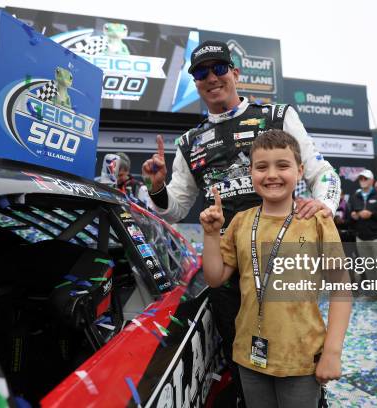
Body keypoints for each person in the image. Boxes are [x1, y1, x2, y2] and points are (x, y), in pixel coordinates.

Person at [141, 40, 341, 404]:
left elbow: (320, 169)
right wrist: (156, 188)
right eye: (201, 73)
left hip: (281, 256)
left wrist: (324, 204)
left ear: (236, 72)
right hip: (228, 261)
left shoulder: (277, 116)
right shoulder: (189, 141)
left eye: (219, 69)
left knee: (297, 349)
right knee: (242, 358)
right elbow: (175, 207)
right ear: (196, 83)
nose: (211, 78)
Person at [199, 130, 351, 408]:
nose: (272, 175)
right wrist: (211, 235)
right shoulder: (241, 222)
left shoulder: (316, 220)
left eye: (282, 165)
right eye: (261, 167)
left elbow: (342, 288)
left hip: (301, 358)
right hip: (249, 354)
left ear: (300, 170)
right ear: (251, 172)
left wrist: (332, 351)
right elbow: (215, 277)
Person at [347, 169, 377, 302]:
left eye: (365, 179)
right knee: (368, 267)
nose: (362, 181)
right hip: (361, 236)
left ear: (372, 180)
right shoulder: (355, 196)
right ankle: (375, 293)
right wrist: (353, 216)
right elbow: (350, 215)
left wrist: (372, 214)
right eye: (361, 179)